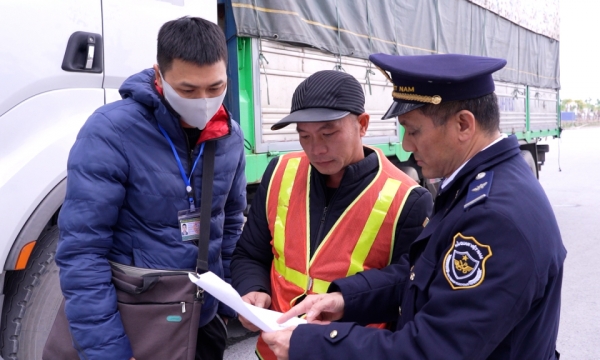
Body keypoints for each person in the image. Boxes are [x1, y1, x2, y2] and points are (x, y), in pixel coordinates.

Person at [263, 54, 567, 359]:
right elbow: (419, 276)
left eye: (413, 130)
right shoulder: (478, 186)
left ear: (463, 124)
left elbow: (433, 350)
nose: (406, 146)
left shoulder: (495, 218)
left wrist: (312, 343)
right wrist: (344, 300)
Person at [55, 17, 246, 360]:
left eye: (215, 88)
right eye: (188, 90)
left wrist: (237, 297)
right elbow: (82, 250)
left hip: (203, 321)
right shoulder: (111, 132)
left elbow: (229, 221)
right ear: (159, 77)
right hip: (140, 324)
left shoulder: (229, 135)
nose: (203, 101)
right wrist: (107, 350)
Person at [231, 70, 432, 359]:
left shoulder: (408, 199)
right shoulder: (280, 173)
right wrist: (252, 288)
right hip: (274, 350)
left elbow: (406, 290)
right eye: (304, 136)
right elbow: (250, 254)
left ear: (362, 124)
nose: (317, 149)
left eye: (329, 133)